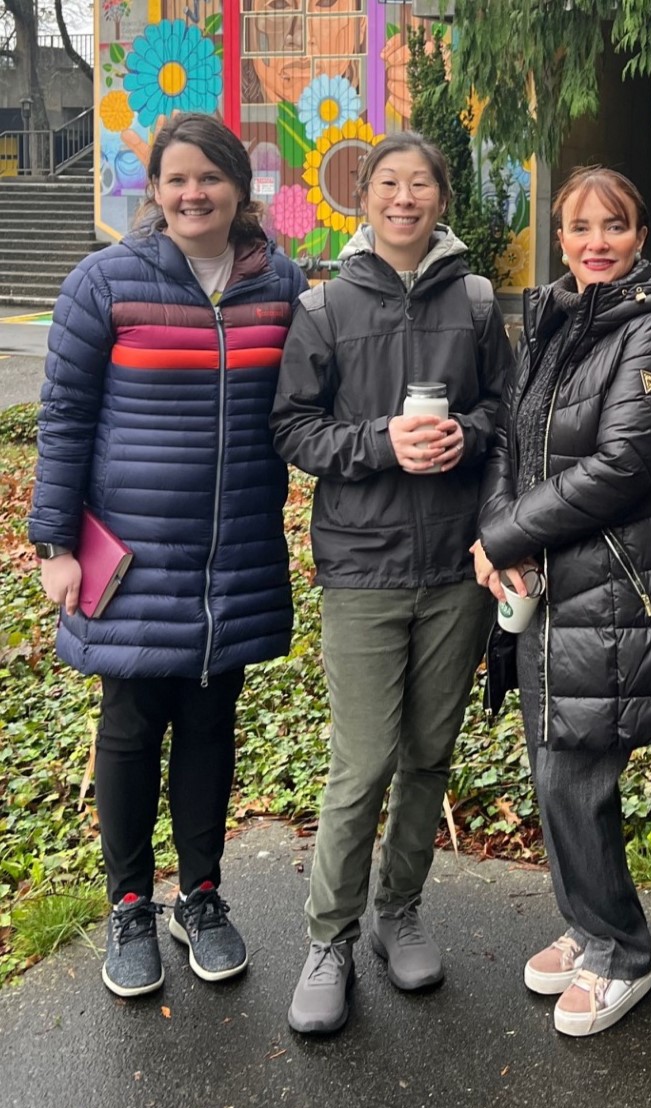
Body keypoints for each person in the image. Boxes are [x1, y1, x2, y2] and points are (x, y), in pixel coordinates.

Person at [28, 112, 306, 997]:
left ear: (239, 188)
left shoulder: (280, 286)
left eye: (211, 178)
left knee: (212, 728)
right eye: (177, 179)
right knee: (130, 726)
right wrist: (54, 541)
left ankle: (203, 895)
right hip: (134, 558)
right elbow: (65, 417)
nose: (195, 194)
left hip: (235, 558)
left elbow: (305, 411)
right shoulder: (104, 281)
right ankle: (129, 905)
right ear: (154, 190)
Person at [272, 131, 512, 1035]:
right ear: (362, 199)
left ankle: (397, 913)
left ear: (441, 198)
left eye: (420, 184)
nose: (404, 198)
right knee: (363, 761)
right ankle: (328, 937)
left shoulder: (479, 301)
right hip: (363, 567)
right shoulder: (325, 305)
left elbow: (504, 411)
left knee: (427, 757)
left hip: (456, 567)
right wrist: (378, 443)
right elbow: (293, 428)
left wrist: (471, 438)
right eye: (387, 184)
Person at [472, 166, 651, 1037]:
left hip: (613, 580)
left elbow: (624, 464)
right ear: (559, 237)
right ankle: (586, 924)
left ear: (641, 236)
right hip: (548, 580)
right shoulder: (553, 318)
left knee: (577, 777)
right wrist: (501, 525)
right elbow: (512, 434)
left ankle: (623, 953)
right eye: (579, 227)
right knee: (550, 764)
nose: (596, 241)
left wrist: (506, 538)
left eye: (615, 225)